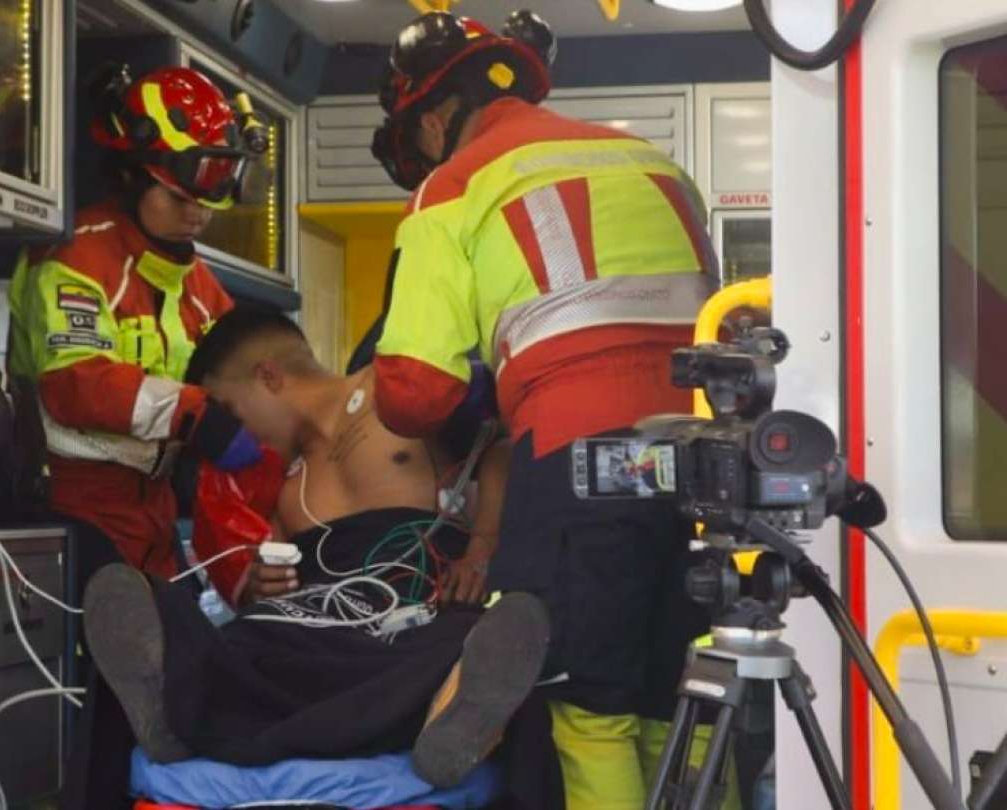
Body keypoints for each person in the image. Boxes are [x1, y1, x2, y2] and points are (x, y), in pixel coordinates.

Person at [368, 10, 728, 809]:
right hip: (707, 459)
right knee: (691, 701)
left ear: (433, 117)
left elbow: (414, 390)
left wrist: (476, 385)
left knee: (590, 708)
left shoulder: (453, 185)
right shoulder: (652, 160)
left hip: (579, 457)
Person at [82, 307, 554, 799]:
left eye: (231, 410)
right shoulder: (281, 481)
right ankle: (170, 711)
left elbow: (500, 448)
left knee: (456, 640)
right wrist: (258, 586)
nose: (238, 434)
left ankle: (453, 713)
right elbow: (276, 584)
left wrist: (482, 545)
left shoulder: (394, 391)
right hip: (318, 622)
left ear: (268, 377)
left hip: (413, 612)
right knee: (234, 640)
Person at [8, 65, 262, 585]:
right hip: (72, 507)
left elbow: (248, 372)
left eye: (207, 203)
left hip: (156, 509)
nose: (197, 216)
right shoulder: (76, 257)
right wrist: (197, 414)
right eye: (180, 199)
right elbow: (75, 383)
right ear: (131, 176)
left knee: (178, 631)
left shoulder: (199, 284)